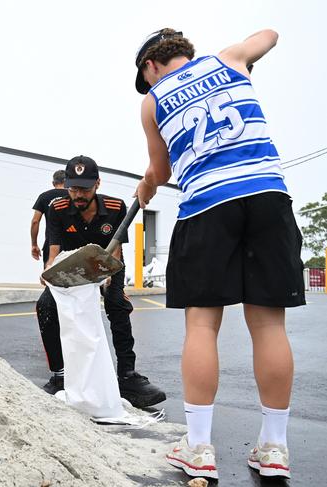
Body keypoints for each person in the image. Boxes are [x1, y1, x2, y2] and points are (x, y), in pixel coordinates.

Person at [134, 29, 303, 480]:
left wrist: (147, 185)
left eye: (145, 77)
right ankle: (274, 448)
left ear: (151, 66)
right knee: (269, 323)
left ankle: (200, 446)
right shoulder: (228, 58)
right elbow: (270, 34)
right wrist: (242, 60)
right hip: (267, 194)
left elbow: (163, 168)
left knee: (202, 323)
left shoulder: (153, 101)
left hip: (208, 203)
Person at [37, 155, 166, 408]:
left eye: (84, 189)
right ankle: (60, 375)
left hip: (107, 263)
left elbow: (116, 252)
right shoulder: (57, 208)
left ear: (97, 184)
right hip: (71, 265)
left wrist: (106, 278)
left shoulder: (116, 207)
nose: (78, 194)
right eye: (73, 188)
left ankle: (127, 376)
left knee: (118, 304)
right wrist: (49, 273)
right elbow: (53, 249)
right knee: (46, 307)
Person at [30, 170, 68, 266]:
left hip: (51, 244)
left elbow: (35, 221)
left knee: (49, 276)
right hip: (71, 244)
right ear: (67, 182)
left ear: (53, 183)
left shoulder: (44, 197)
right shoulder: (74, 197)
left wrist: (34, 244)